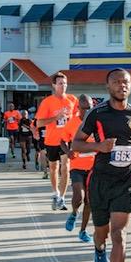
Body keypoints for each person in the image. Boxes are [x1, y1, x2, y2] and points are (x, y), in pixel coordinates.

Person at [73, 68, 131, 262]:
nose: (122, 86)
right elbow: (76, 143)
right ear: (108, 87)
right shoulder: (97, 113)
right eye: (116, 82)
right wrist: (99, 146)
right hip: (101, 181)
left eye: (125, 82)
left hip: (126, 181)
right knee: (102, 233)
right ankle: (98, 247)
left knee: (119, 234)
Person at [36, 73, 78, 211]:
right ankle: (56, 193)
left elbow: (79, 117)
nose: (63, 86)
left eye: (65, 83)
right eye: (60, 83)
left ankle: (62, 198)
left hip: (67, 140)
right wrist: (56, 117)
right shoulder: (47, 102)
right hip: (52, 139)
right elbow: (39, 122)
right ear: (54, 85)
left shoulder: (72, 99)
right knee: (54, 168)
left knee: (65, 167)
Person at [61, 94, 95, 243]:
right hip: (77, 166)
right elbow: (62, 140)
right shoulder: (72, 123)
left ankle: (83, 231)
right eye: (84, 108)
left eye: (90, 108)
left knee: (90, 201)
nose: (87, 111)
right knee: (79, 196)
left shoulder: (96, 123)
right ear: (78, 108)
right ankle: (74, 213)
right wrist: (68, 152)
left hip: (94, 167)